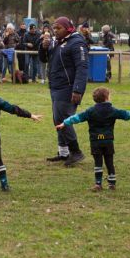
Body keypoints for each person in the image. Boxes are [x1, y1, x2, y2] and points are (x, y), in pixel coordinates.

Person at [57, 87, 130, 191]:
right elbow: (126, 114)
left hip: (95, 141)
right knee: (109, 162)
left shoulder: (90, 111)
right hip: (108, 141)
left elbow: (76, 118)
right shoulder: (113, 110)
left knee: (98, 163)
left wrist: (65, 123)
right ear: (107, 98)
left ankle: (98, 184)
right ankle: (112, 183)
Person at [39, 16, 89, 166]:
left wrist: (78, 90)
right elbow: (44, 59)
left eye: (58, 28)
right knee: (57, 119)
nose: (55, 31)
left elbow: (82, 67)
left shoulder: (77, 43)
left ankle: (76, 152)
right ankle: (63, 153)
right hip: (55, 86)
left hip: (68, 87)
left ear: (68, 28)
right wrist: (43, 47)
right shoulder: (57, 42)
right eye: (54, 28)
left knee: (63, 119)